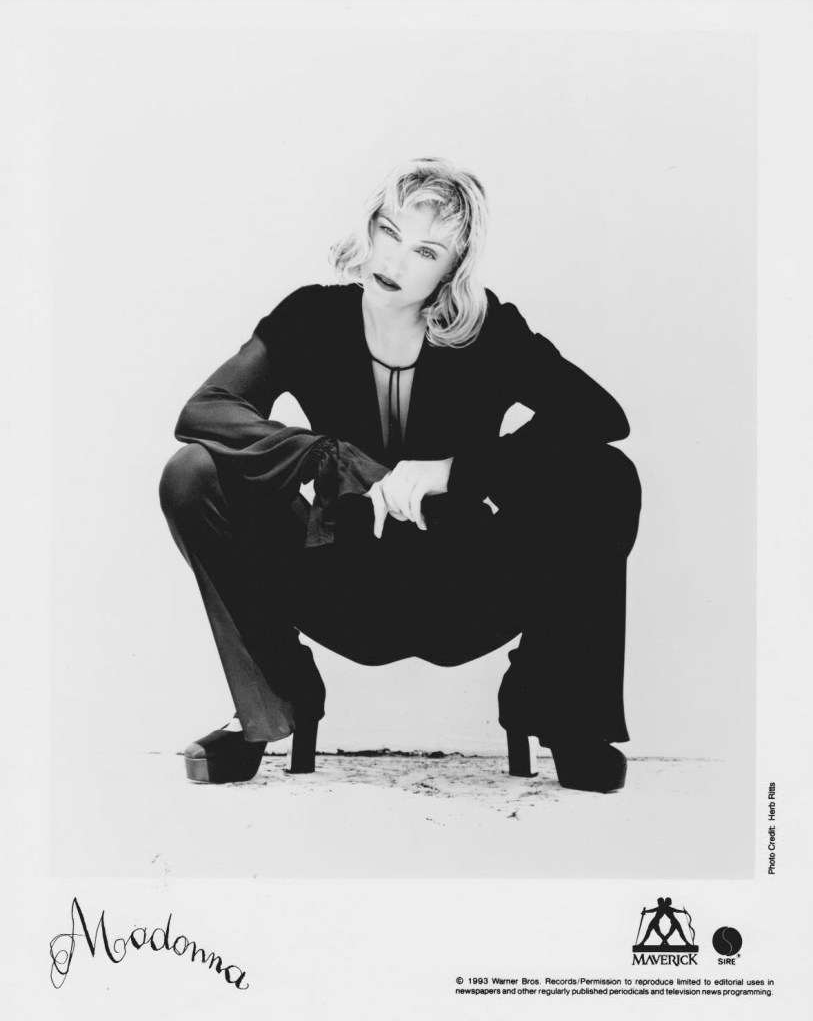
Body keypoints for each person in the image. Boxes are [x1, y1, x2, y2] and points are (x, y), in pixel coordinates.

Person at [159, 157, 642, 793]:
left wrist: (456, 472)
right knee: (193, 474)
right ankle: (272, 704)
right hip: (341, 584)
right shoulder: (310, 317)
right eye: (389, 232)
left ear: (453, 269)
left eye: (426, 251)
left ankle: (561, 713)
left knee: (606, 476)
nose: (395, 260)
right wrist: (325, 455)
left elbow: (600, 417)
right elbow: (206, 410)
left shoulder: (488, 331)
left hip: (465, 588)